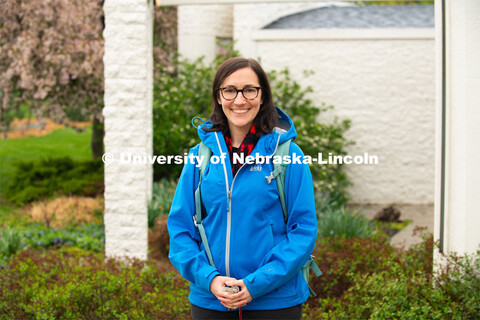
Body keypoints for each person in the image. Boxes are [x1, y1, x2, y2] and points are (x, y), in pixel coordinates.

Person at [167, 57, 317, 320]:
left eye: (249, 90)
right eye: (229, 90)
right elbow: (180, 229)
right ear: (219, 97)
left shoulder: (288, 155)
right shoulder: (199, 157)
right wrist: (210, 280)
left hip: (275, 301)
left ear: (262, 97)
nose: (239, 100)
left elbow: (303, 230)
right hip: (211, 301)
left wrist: (256, 284)